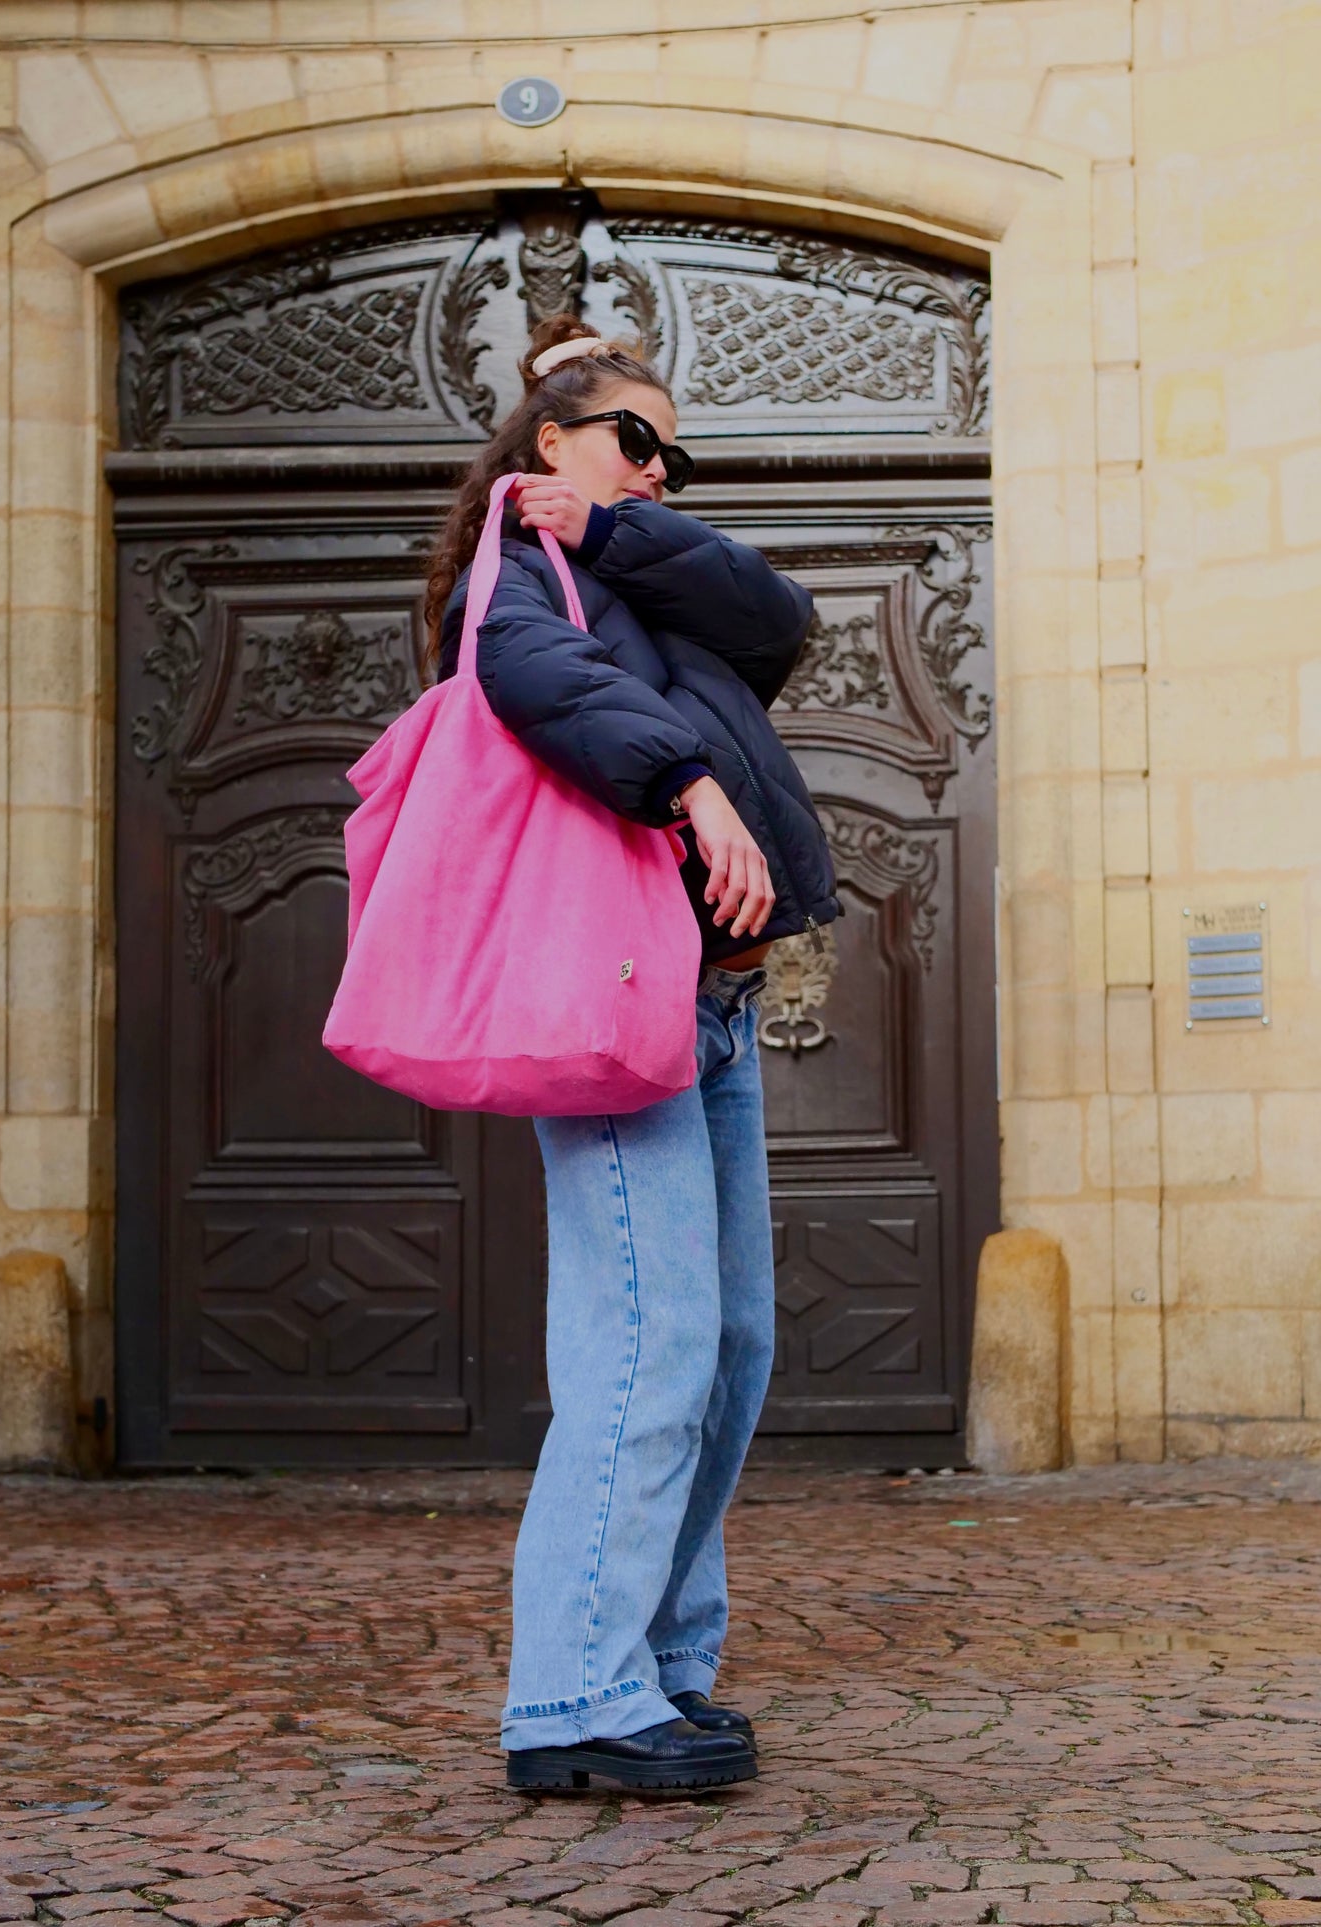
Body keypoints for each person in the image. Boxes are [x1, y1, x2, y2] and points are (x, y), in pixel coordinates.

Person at [425, 315, 839, 1792]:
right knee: (642, 1349)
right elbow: (536, 684)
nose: (663, 467)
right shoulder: (517, 584)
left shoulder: (644, 572)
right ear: (545, 443)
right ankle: (570, 1703)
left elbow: (778, 616)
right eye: (631, 438)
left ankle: (658, 1669)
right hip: (618, 1005)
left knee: (728, 1348)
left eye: (674, 449)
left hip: (710, 1003)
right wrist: (686, 787)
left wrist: (619, 516)